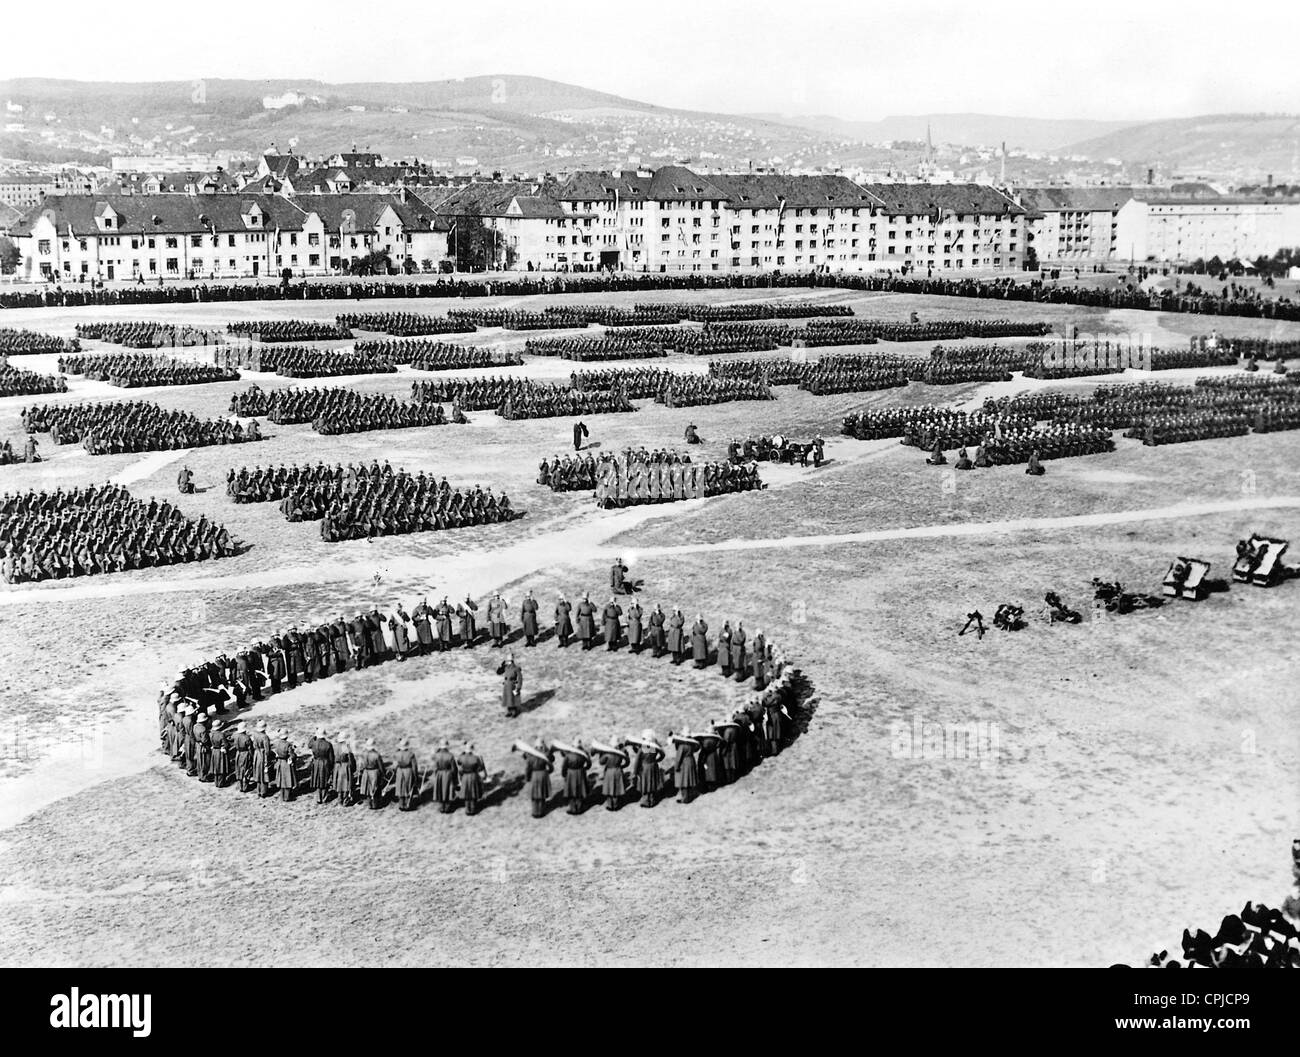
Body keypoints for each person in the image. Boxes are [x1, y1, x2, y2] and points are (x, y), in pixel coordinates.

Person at [633, 732, 664, 808]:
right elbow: (662, 755)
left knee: (645, 784)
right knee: (652, 783)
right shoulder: (654, 748)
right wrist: (657, 760)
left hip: (644, 768)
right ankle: (652, 800)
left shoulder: (642, 749)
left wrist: (635, 772)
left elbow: (638, 760)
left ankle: (646, 801)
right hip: (653, 766)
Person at [525, 739, 553, 818]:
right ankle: (541, 811)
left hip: (534, 775)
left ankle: (535, 812)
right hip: (543, 774)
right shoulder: (545, 754)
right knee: (542, 794)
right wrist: (548, 771)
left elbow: (528, 768)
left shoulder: (530, 756)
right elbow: (551, 760)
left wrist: (527, 777)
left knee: (534, 794)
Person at [457, 742, 486, 815]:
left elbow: (459, 763)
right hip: (473, 776)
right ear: (472, 749)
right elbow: (480, 768)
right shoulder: (475, 758)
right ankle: (472, 809)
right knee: (473, 792)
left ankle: (467, 809)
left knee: (466, 793)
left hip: (464, 776)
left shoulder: (461, 757)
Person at [561, 740, 590, 815]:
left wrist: (564, 774)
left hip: (571, 774)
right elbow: (589, 764)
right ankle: (579, 808)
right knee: (580, 791)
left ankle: (573, 808)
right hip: (580, 773)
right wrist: (584, 768)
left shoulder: (568, 755)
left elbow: (564, 766)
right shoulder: (584, 753)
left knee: (571, 791)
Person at [430, 738, 458, 813]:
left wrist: (436, 773)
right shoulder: (450, 756)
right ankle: (448, 807)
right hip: (448, 773)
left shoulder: (436, 755)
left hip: (439, 773)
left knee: (440, 789)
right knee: (448, 789)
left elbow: (434, 766)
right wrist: (454, 777)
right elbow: (454, 768)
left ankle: (442, 806)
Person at [599, 739, 627, 811]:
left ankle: (610, 805)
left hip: (609, 772)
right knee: (616, 788)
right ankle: (616, 805)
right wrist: (622, 766)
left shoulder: (607, 754)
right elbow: (627, 761)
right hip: (618, 771)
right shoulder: (621, 753)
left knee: (609, 788)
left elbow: (601, 762)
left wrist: (601, 753)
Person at [393, 738, 421, 811]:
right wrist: (415, 776)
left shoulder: (396, 754)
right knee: (408, 787)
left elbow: (395, 765)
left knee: (400, 787)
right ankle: (407, 804)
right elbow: (414, 766)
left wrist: (396, 772)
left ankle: (401, 805)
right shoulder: (411, 754)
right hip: (408, 771)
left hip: (399, 771)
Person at [308, 727, 334, 805]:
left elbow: (309, 745)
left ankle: (318, 797)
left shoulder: (314, 743)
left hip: (316, 762)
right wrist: (331, 766)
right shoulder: (328, 744)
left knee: (317, 780)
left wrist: (314, 736)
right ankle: (324, 797)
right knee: (325, 779)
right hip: (325, 762)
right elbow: (331, 758)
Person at [359, 739, 386, 810]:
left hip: (366, 772)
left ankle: (370, 804)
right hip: (374, 772)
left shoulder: (363, 753)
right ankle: (375, 804)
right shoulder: (376, 755)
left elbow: (361, 765)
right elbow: (381, 766)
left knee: (367, 788)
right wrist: (383, 774)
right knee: (375, 788)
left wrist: (362, 771)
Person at [332, 730, 356, 807]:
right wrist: (352, 768)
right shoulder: (346, 747)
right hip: (345, 767)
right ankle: (345, 801)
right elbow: (351, 759)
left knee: (339, 784)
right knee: (345, 784)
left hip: (337, 767)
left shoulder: (335, 747)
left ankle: (339, 800)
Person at [673, 733, 699, 804]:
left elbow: (678, 758)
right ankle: (689, 796)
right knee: (689, 779)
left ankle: (685, 798)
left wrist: (677, 767)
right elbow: (697, 748)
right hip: (691, 760)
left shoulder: (682, 746)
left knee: (684, 781)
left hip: (684, 763)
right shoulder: (691, 744)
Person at [273, 729, 297, 801]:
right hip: (286, 763)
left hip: (280, 762)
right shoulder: (288, 744)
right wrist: (294, 754)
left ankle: (282, 795)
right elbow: (292, 755)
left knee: (281, 779)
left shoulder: (276, 743)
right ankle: (287, 797)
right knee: (287, 779)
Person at [497, 652, 523, 717]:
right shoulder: (506, 667)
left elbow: (520, 678)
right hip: (506, 684)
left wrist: (518, 687)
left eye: (509, 661)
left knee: (512, 699)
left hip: (512, 685)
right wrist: (501, 666)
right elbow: (499, 672)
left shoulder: (516, 668)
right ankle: (509, 711)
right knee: (507, 699)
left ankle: (515, 711)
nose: (508, 662)